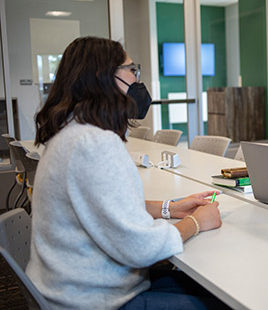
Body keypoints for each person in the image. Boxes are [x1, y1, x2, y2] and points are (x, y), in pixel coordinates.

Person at [26, 36, 228, 309]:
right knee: (224, 301)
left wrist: (171, 208)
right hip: (94, 299)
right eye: (132, 70)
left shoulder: (72, 133)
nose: (136, 80)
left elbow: (105, 208)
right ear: (104, 77)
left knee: (205, 287)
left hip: (72, 286)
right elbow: (141, 248)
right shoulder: (95, 143)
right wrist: (196, 223)